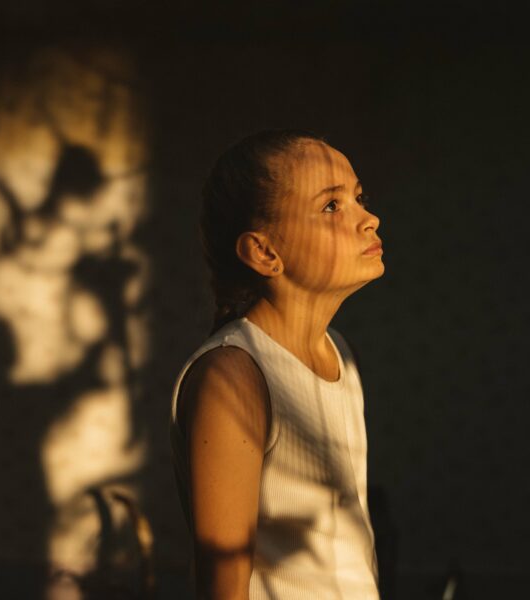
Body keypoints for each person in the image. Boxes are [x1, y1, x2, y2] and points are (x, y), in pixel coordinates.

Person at [169, 129, 384, 599]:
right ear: (264, 253)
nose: (369, 219)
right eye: (332, 206)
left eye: (359, 198)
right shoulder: (233, 375)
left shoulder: (339, 352)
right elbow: (224, 587)